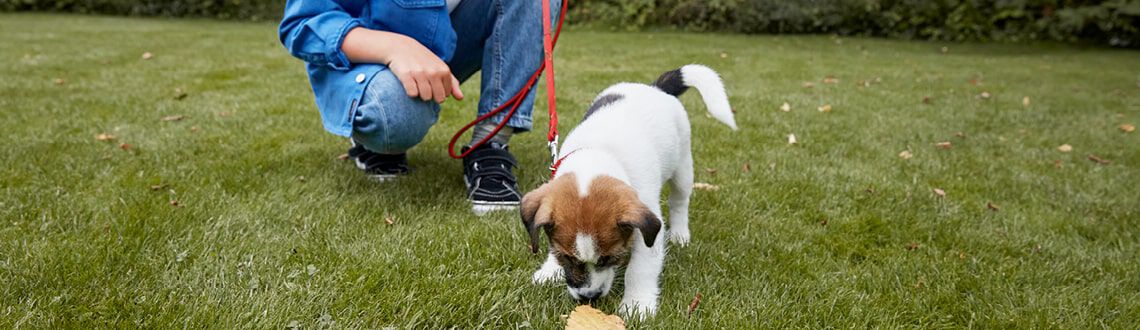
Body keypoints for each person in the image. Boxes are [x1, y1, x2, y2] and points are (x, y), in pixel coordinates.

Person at [278, 0, 561, 214]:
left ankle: (491, 143)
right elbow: (303, 23)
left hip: (445, 38)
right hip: (368, 52)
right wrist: (394, 48)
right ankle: (376, 131)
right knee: (392, 114)